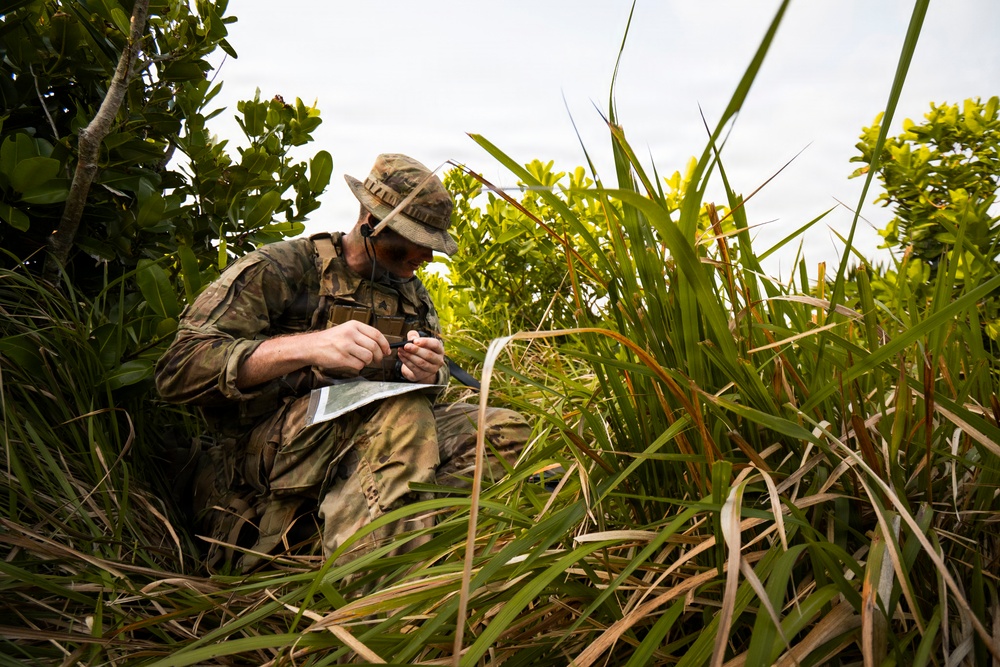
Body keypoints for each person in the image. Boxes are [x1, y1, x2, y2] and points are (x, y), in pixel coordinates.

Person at [155, 153, 529, 570]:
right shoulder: (284, 268)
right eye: (410, 241)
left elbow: (432, 380)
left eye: (429, 247)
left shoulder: (412, 293)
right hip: (265, 446)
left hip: (371, 433)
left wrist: (430, 370)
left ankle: (374, 543)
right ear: (370, 219)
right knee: (403, 414)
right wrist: (308, 347)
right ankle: (373, 599)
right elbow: (178, 368)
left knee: (501, 430)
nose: (423, 257)